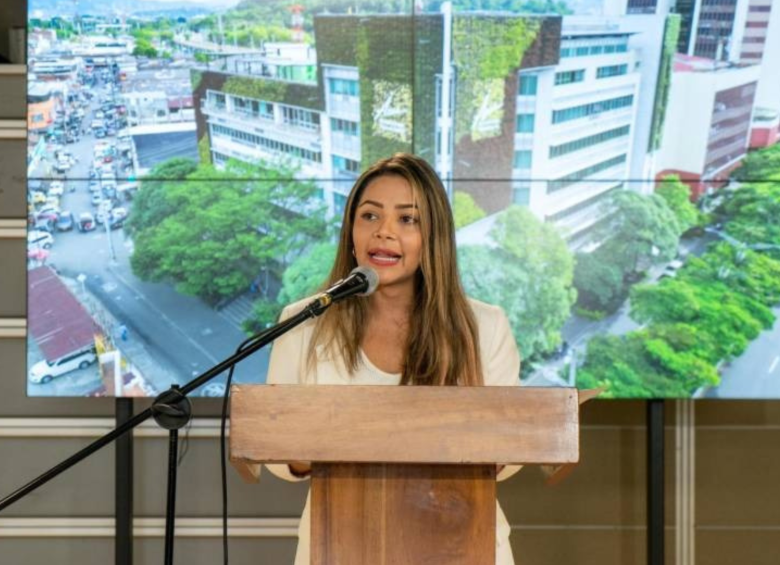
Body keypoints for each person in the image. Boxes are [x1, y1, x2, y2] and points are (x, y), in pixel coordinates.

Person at [265, 153, 522, 565]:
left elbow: (508, 462)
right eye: (369, 216)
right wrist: (304, 446)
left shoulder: (484, 326)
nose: (383, 233)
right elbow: (278, 458)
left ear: (433, 236)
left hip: (462, 544)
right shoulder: (303, 322)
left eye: (408, 219)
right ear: (351, 229)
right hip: (337, 544)